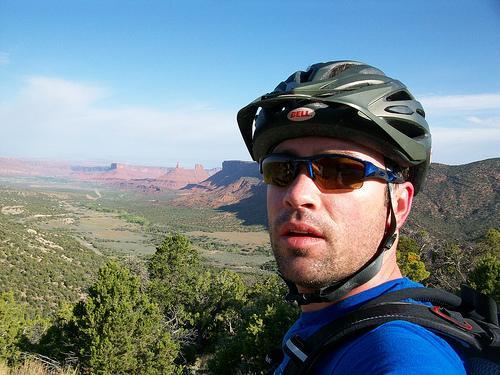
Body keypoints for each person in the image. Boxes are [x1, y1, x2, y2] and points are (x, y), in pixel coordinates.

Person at [237, 61, 467, 374]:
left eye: (340, 172)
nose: (297, 193)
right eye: (281, 170)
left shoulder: (399, 354)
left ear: (399, 205)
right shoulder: (326, 324)